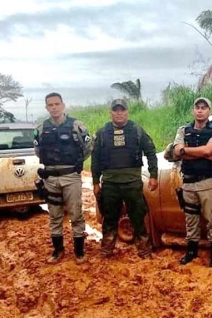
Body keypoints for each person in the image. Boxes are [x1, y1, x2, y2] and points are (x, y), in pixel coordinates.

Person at [91, 98, 159, 259]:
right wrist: (95, 182)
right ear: (111, 113)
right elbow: (95, 159)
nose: (119, 113)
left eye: (122, 110)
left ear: (127, 112)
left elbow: (150, 151)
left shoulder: (136, 130)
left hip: (132, 182)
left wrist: (154, 176)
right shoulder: (102, 133)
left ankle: (144, 250)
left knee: (138, 217)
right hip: (110, 184)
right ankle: (107, 250)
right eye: (116, 110)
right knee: (109, 218)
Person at [34, 92, 93, 264]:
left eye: (56, 104)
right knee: (54, 215)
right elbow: (38, 151)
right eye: (50, 105)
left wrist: (77, 163)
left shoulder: (76, 126)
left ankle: (79, 252)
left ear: (63, 105)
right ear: (46, 107)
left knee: (76, 213)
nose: (54, 108)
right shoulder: (41, 129)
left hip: (70, 176)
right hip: (50, 177)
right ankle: (58, 250)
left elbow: (88, 146)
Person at [167, 97, 212, 267]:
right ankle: (191, 252)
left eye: (204, 108)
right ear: (193, 110)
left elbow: (210, 150)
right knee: (190, 219)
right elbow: (177, 151)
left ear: (209, 111)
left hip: (208, 182)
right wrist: (198, 152)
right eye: (197, 107)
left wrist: (186, 151)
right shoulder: (183, 130)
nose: (200, 110)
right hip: (189, 183)